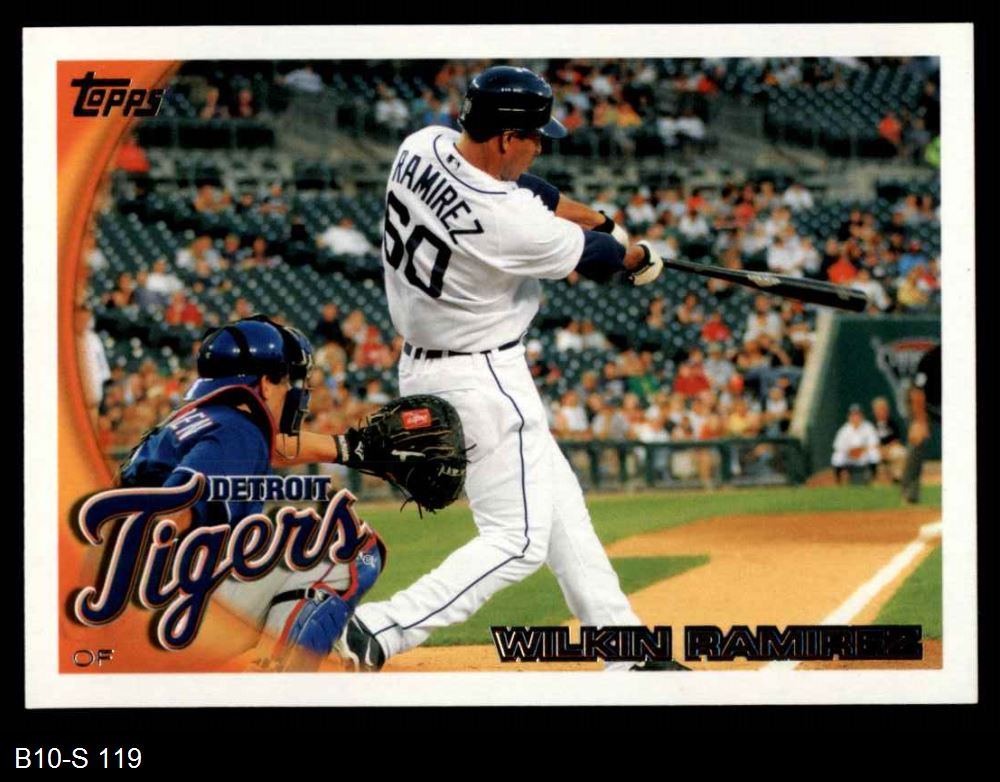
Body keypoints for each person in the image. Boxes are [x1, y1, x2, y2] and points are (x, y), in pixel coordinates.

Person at [336, 65, 681, 673]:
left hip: (432, 363)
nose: (540, 146)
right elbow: (600, 258)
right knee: (517, 540)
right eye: (534, 136)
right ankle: (379, 627)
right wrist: (639, 256)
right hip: (482, 377)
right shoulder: (508, 222)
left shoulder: (421, 145)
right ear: (505, 137)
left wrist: (598, 216)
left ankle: (626, 651)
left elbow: (532, 191)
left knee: (561, 507)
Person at [115, 316, 386, 671]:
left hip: (131, 604)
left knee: (270, 548)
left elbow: (273, 449)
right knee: (352, 547)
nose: (291, 390)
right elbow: (169, 516)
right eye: (284, 379)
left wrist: (350, 448)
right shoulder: (238, 430)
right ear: (264, 384)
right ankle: (285, 678)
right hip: (166, 615)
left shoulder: (199, 420)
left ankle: (285, 653)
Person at [830, 403, 881, 485]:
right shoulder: (844, 429)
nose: (855, 417)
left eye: (857, 415)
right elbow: (838, 447)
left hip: (863, 455)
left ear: (862, 416)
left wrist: (861, 450)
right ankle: (838, 482)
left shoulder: (868, 427)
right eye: (853, 415)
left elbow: (874, 444)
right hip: (849, 456)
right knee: (837, 456)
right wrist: (850, 452)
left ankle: (873, 479)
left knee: (874, 453)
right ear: (849, 417)